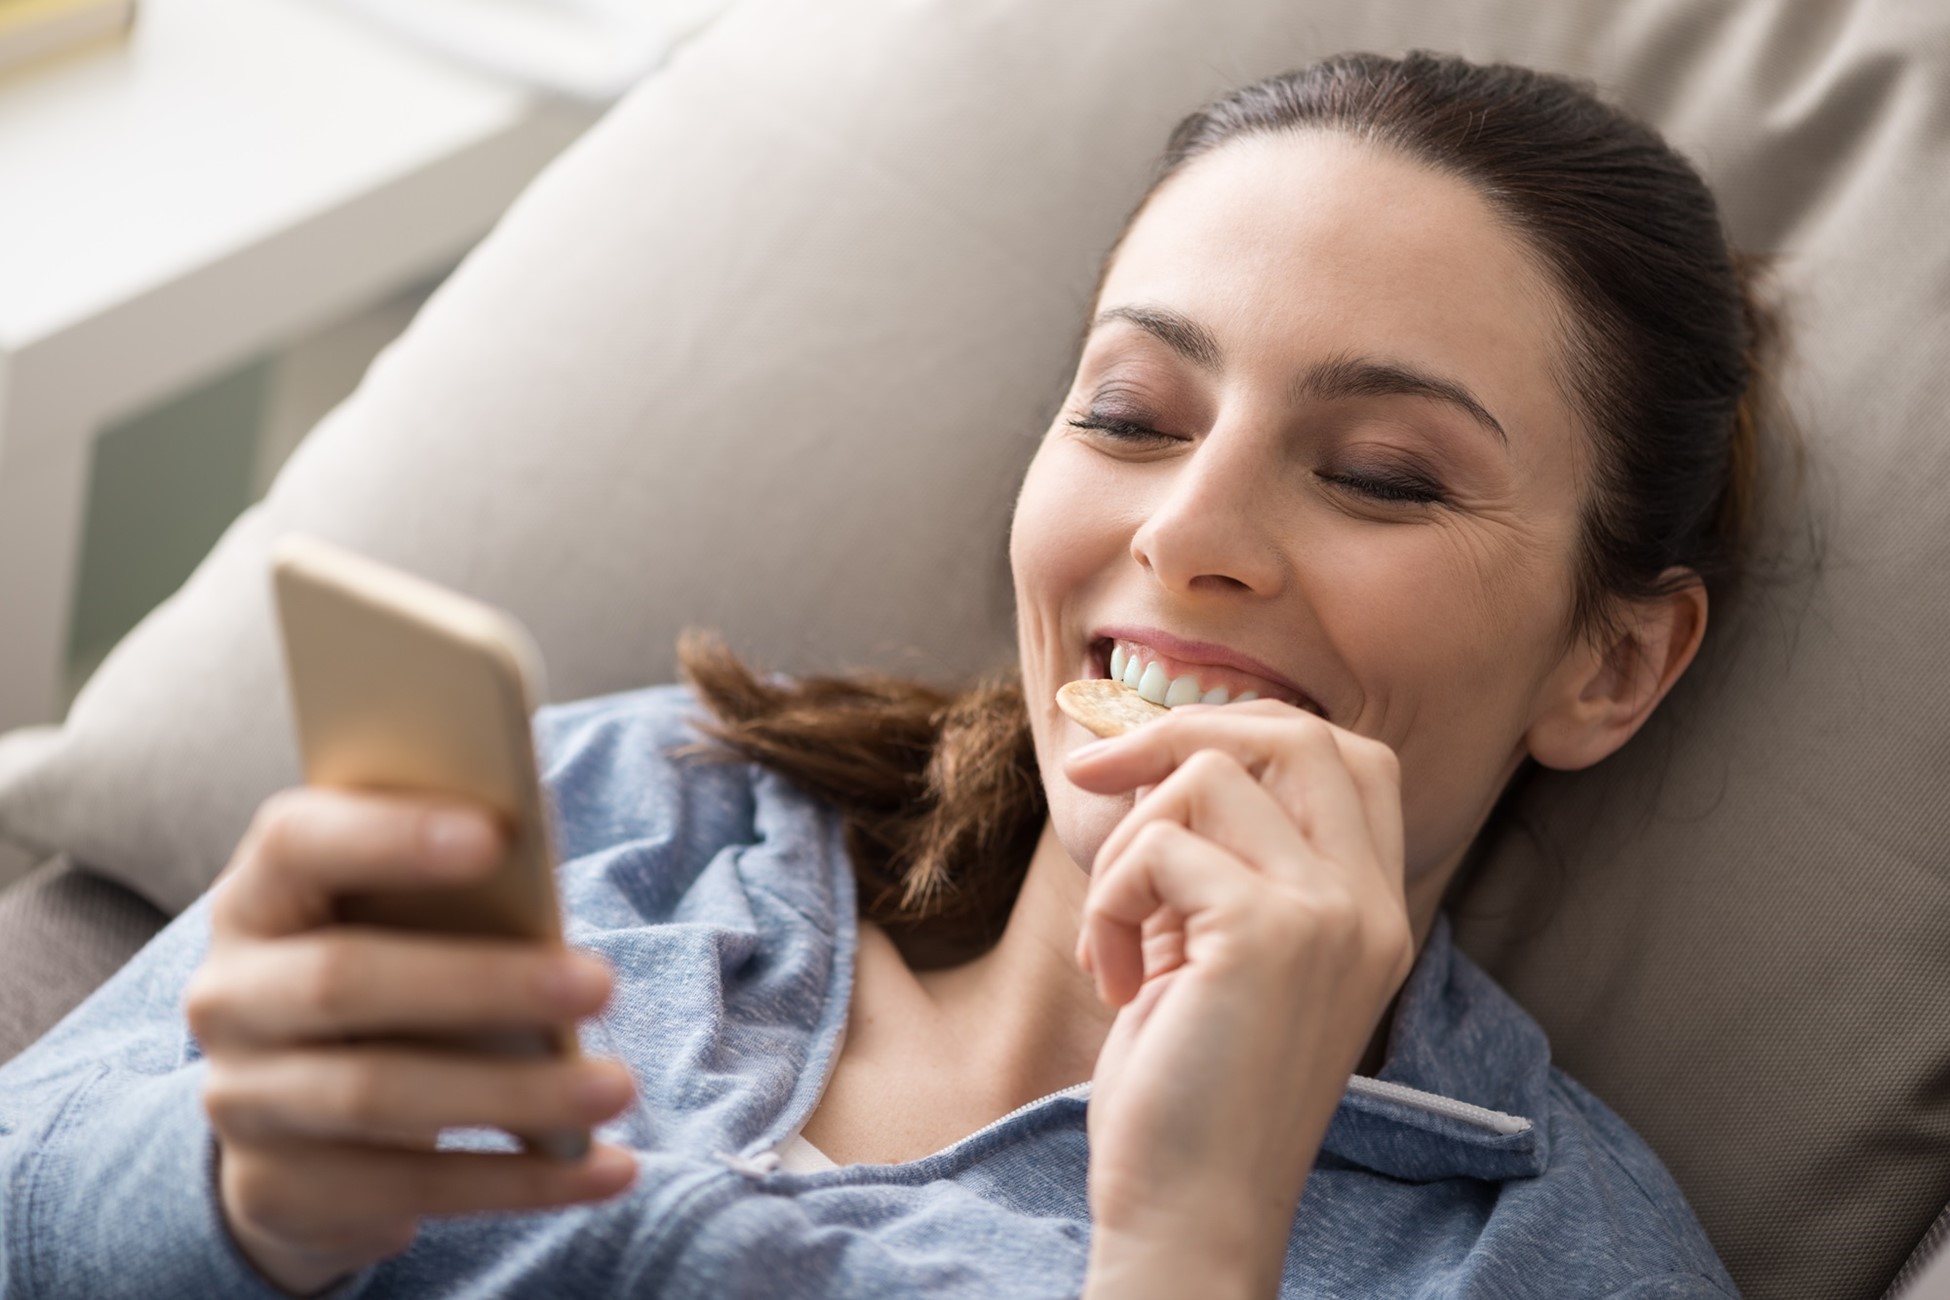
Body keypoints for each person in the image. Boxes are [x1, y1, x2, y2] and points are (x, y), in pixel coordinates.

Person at [0, 50, 1773, 1297]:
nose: (1187, 530)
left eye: (1382, 474)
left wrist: (1190, 1246)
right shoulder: (629, 807)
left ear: (1611, 663)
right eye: (1130, 416)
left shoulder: (1547, 1258)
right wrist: (238, 1199)